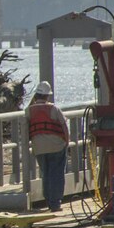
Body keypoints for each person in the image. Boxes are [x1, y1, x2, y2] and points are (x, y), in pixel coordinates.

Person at [27, 81, 70, 211]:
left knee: (46, 174)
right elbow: (64, 126)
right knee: (56, 174)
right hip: (56, 145)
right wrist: (67, 142)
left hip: (39, 147)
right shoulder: (54, 109)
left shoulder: (29, 110)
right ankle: (55, 203)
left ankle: (48, 200)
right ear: (47, 96)